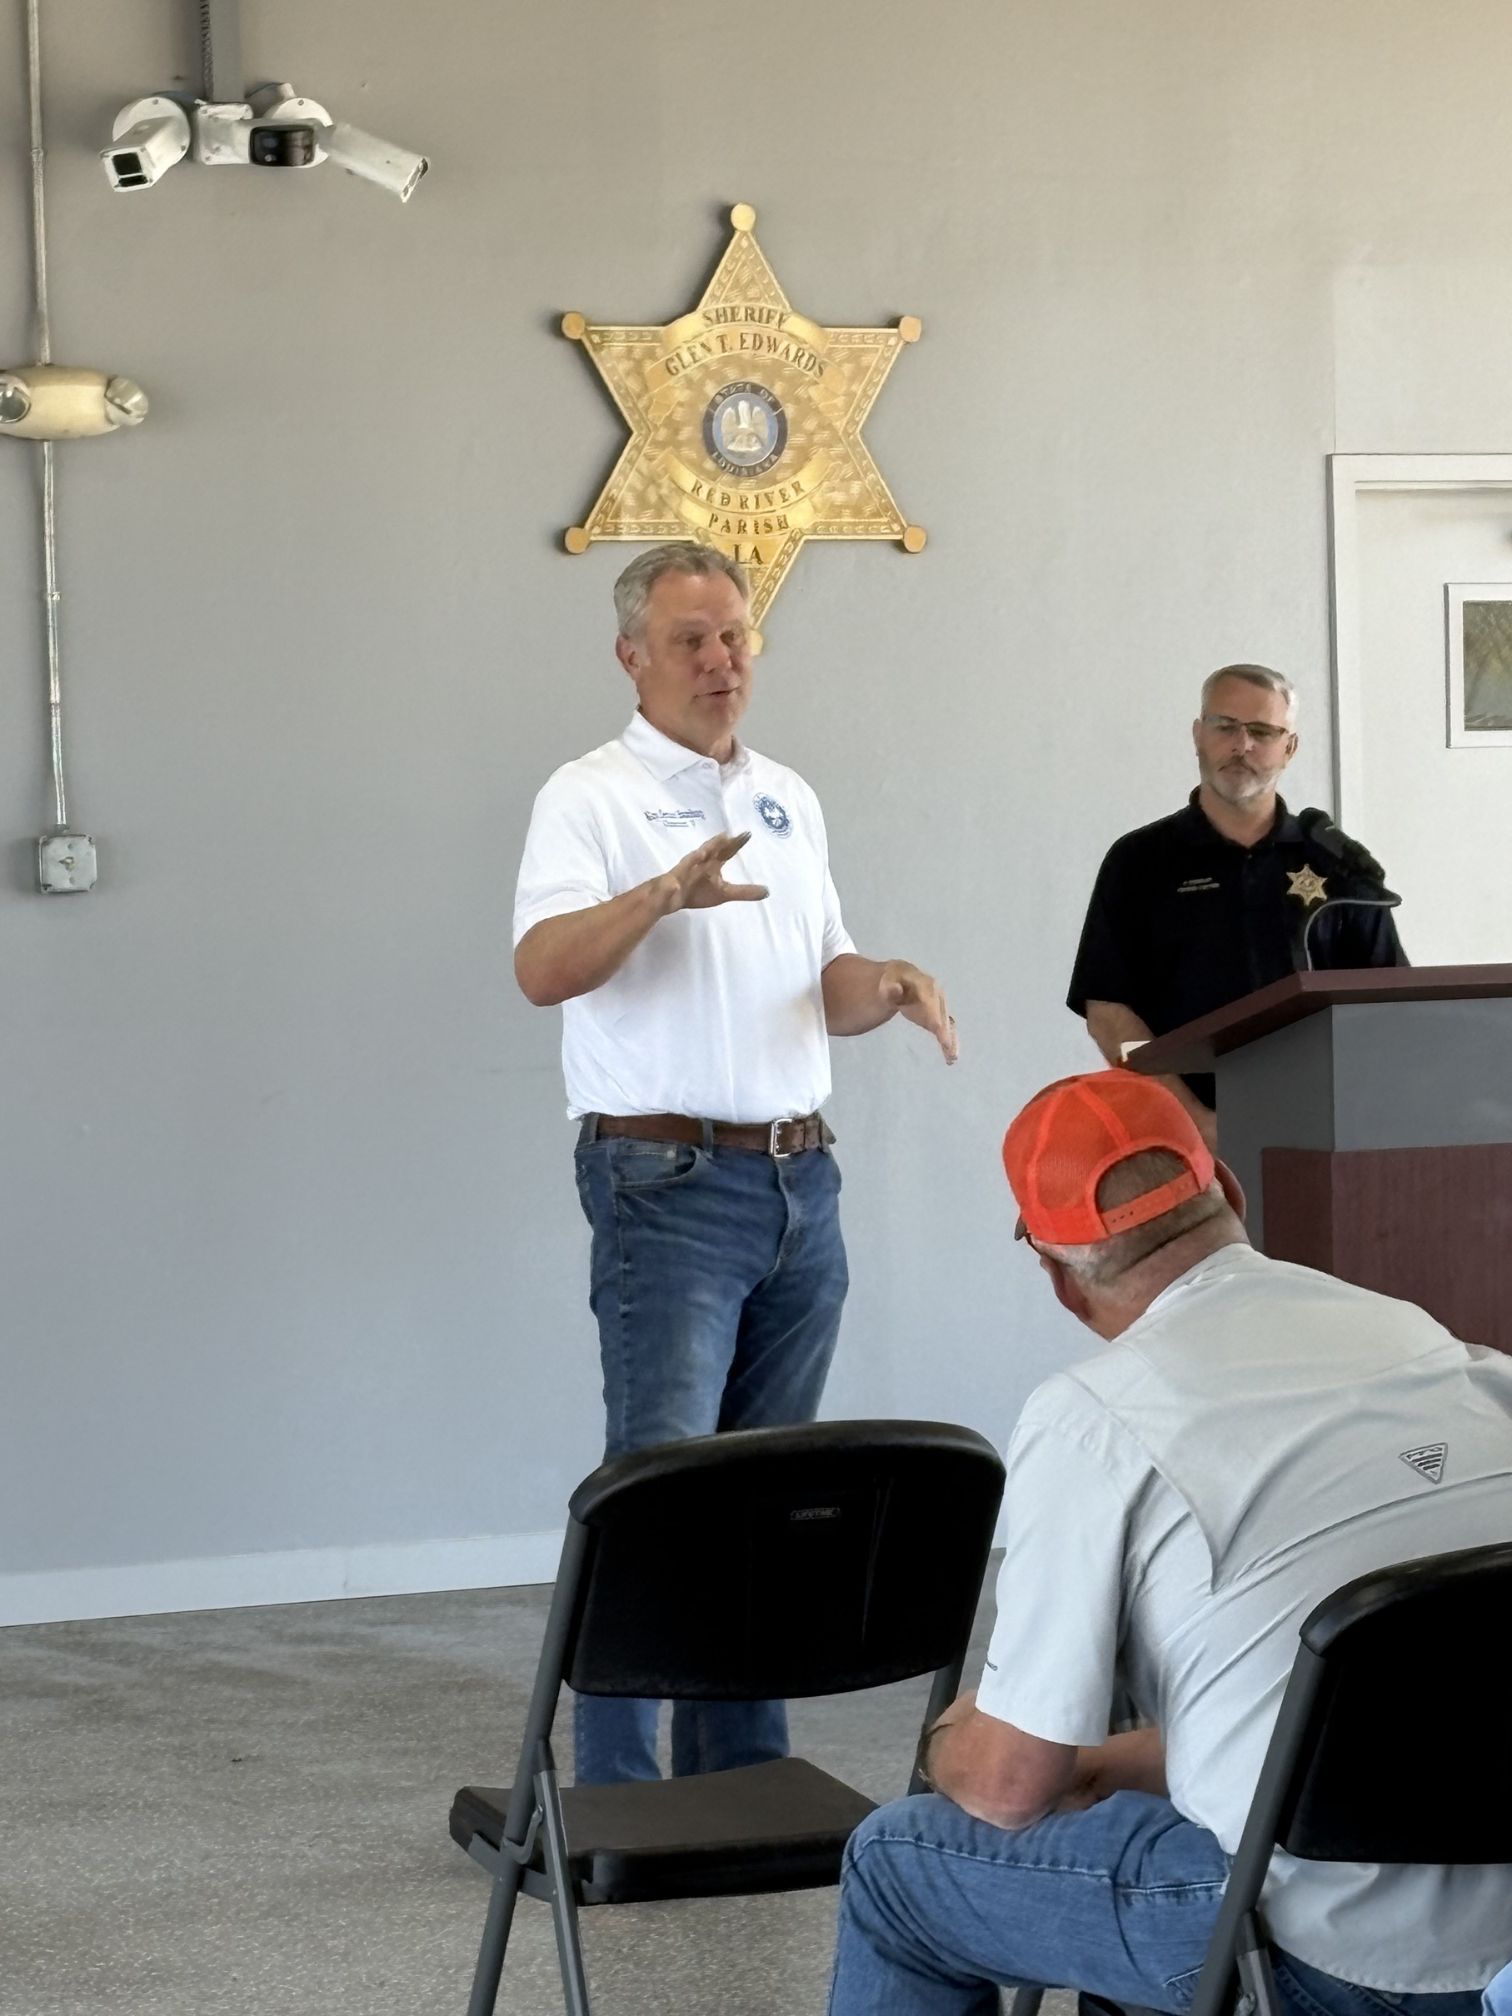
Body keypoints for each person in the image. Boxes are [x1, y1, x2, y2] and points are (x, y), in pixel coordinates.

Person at [828, 1066, 1512, 2016]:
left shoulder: (1094, 1418)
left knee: (899, 1864)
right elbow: (1377, 1693)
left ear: (1059, 1279)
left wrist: (952, 1741)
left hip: (1333, 1967)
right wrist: (1116, 1762)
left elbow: (1011, 1788)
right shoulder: (1430, 1342)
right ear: (1227, 1190)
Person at [513, 541, 956, 1787]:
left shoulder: (786, 796)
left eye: (736, 636)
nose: (720, 659)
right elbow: (542, 969)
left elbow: (827, 978)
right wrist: (659, 894)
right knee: (655, 1491)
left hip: (798, 1186)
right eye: (692, 639)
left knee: (774, 1499)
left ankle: (741, 1772)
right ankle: (615, 1785)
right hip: (666, 1186)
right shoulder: (588, 796)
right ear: (632, 657)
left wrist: (889, 986)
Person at [1068, 664, 1407, 1146]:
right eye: (1225, 726)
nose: (1241, 746)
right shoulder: (1139, 862)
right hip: (1179, 1142)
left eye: (1262, 732)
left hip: (1324, 1136)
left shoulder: (1339, 867)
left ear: (1289, 748)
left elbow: (1388, 1007)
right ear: (1198, 735)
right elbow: (1109, 1013)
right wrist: (1190, 1117)